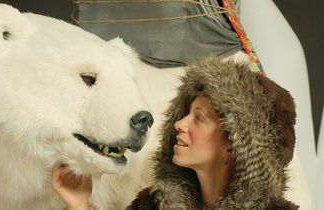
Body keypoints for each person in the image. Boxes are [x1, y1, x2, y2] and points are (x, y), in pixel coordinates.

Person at [52, 57, 298, 209]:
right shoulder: (152, 204)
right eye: (187, 113)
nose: (179, 124)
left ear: (235, 142)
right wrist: (79, 203)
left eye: (199, 118)